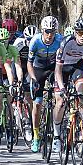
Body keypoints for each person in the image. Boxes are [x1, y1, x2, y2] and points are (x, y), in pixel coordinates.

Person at [52, 18, 83, 153]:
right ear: (75, 33)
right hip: (62, 68)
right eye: (80, 33)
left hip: (77, 66)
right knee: (60, 101)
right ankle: (56, 135)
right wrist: (62, 87)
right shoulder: (66, 42)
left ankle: (81, 124)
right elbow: (58, 69)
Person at [27, 16, 63, 152]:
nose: (49, 35)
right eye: (47, 31)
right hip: (38, 69)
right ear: (42, 30)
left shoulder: (60, 40)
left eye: (52, 32)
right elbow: (29, 63)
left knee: (58, 98)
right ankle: (36, 136)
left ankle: (56, 134)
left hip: (54, 68)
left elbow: (63, 61)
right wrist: (33, 78)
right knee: (37, 103)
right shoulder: (36, 41)